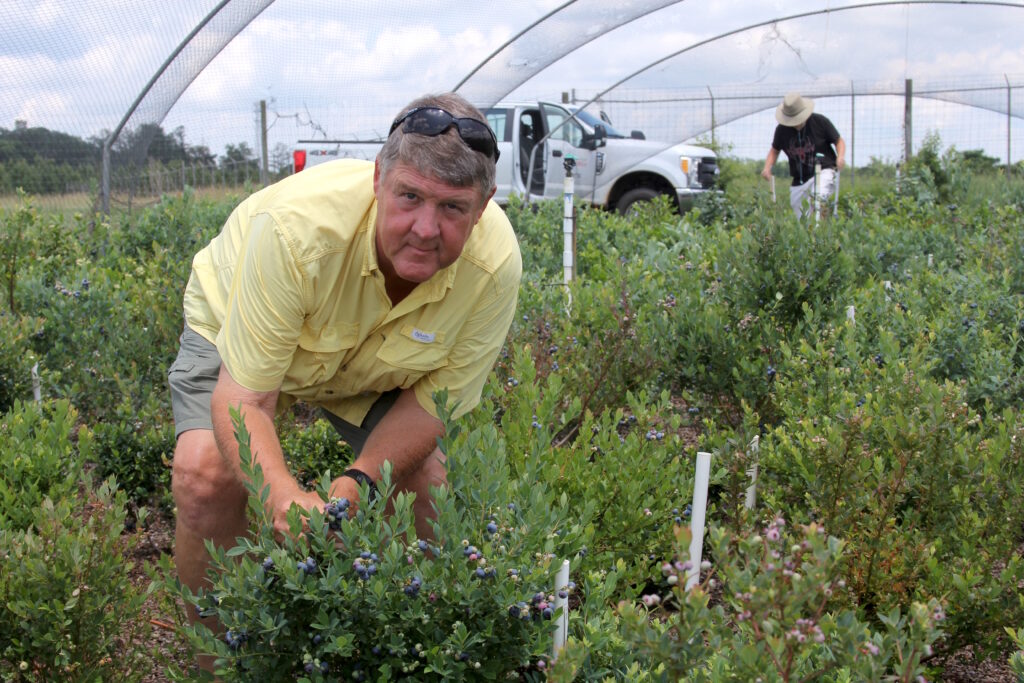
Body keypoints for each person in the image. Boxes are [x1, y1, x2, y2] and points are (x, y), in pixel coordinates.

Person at [167, 92, 521, 661]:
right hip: (239, 326)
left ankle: (407, 656)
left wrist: (358, 482)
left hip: (376, 362)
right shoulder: (295, 230)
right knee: (206, 474)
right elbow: (246, 399)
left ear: (483, 207)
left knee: (428, 490)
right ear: (379, 177)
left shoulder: (494, 265)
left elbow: (433, 406)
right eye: (409, 196)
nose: (426, 229)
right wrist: (282, 498)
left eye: (453, 208)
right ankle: (221, 663)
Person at [761, 92, 846, 218]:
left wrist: (840, 157)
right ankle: (812, 234)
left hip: (823, 170)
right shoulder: (781, 130)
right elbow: (774, 150)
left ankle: (822, 232)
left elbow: (839, 141)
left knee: (818, 199)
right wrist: (767, 168)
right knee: (802, 217)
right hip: (799, 179)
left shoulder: (820, 122)